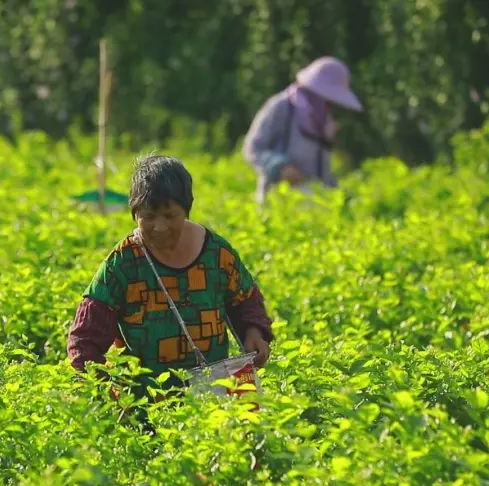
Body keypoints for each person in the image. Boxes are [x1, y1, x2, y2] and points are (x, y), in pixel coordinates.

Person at [68, 154, 274, 394]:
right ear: (135, 214)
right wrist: (108, 395)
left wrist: (254, 333)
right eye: (149, 216)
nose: (160, 226)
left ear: (186, 211)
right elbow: (85, 339)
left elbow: (245, 298)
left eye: (169, 216)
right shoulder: (123, 263)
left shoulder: (216, 254)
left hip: (218, 393)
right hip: (147, 400)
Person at [242, 56, 362, 203]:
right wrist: (280, 166)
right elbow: (253, 148)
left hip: (314, 203)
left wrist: (337, 194)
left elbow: (321, 170)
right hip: (278, 200)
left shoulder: (324, 120)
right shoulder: (281, 107)